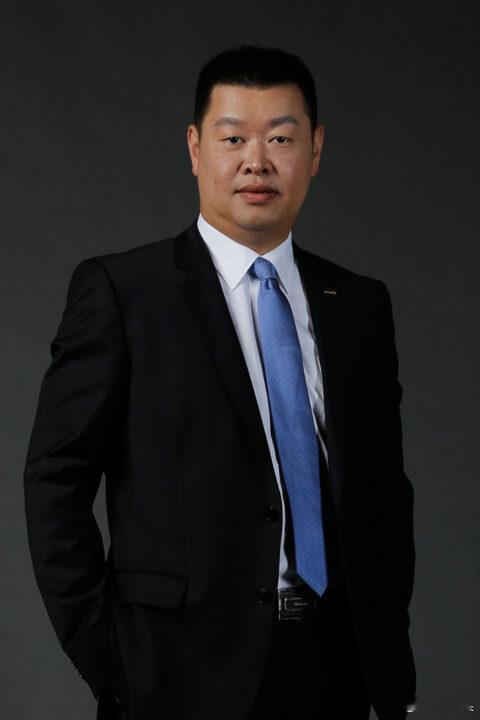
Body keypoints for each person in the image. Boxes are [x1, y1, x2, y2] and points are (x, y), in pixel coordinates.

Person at [23, 44, 416, 720]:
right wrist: (113, 659)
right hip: (179, 673)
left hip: (335, 667)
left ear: (315, 150)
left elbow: (384, 492)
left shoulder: (358, 304)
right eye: (233, 138)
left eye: (281, 138)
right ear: (194, 147)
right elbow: (55, 478)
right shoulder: (125, 293)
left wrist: (386, 643)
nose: (256, 161)